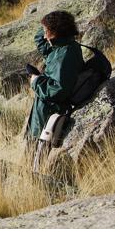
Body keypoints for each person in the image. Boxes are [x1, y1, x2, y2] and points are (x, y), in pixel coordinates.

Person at [26, 10, 84, 142]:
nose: (45, 37)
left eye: (46, 32)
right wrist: (49, 23)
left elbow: (58, 91)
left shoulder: (64, 56)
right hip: (44, 112)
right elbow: (40, 39)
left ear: (57, 33)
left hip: (48, 116)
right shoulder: (60, 46)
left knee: (37, 154)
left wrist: (36, 81)